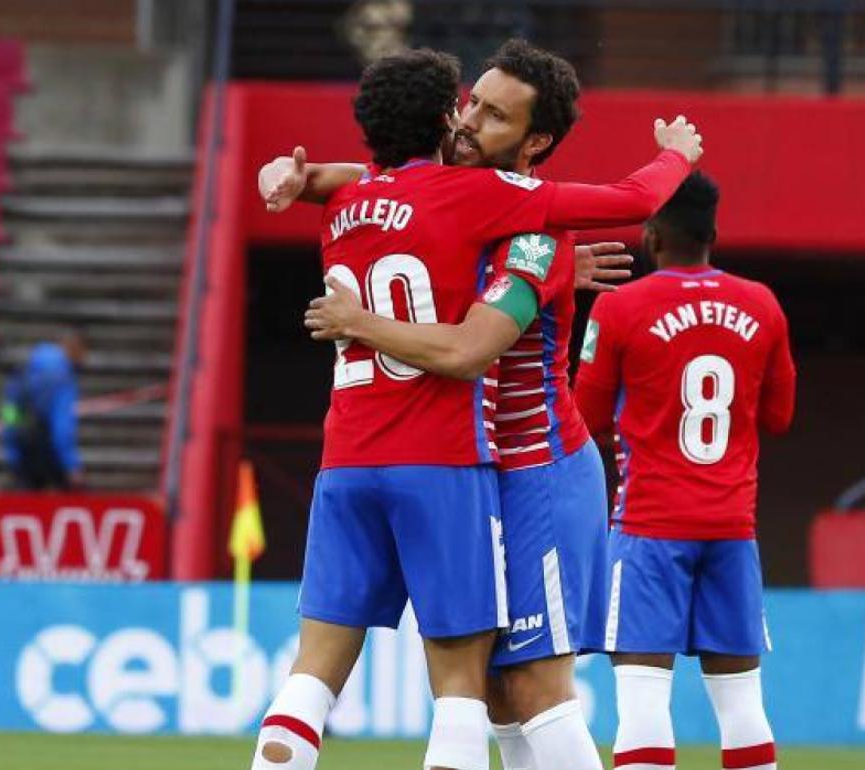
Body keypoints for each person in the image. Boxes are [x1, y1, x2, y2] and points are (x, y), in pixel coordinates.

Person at [252, 47, 701, 770]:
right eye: (470, 103)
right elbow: (362, 177)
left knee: (534, 689)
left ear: (535, 142)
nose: (469, 121)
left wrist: (675, 156)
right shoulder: (464, 199)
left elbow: (471, 347)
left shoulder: (529, 226)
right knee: (492, 693)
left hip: (540, 472)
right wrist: (293, 173)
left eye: (495, 115)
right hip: (468, 468)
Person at [574, 172, 796, 770]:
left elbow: (584, 416)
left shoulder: (619, 308)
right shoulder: (762, 304)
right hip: (730, 528)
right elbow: (779, 415)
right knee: (742, 702)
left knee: (644, 699)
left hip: (649, 527)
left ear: (651, 235)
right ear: (713, 234)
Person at [1, 330, 86, 491]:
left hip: (23, 450)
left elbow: (9, 414)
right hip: (47, 454)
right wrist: (71, 465)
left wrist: (12, 453)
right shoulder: (63, 376)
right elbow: (62, 426)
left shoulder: (24, 371)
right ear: (74, 348)